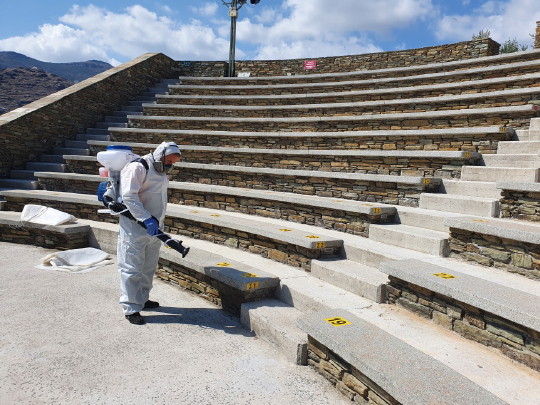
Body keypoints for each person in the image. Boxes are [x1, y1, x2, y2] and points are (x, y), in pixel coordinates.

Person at [117, 141, 182, 325]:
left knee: (148, 266)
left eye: (173, 163)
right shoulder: (139, 167)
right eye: (168, 161)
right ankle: (130, 308)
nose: (170, 165)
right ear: (160, 155)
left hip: (155, 228)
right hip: (135, 227)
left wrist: (156, 223)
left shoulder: (160, 172)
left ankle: (143, 299)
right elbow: (129, 195)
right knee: (131, 267)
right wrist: (145, 218)